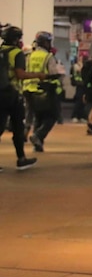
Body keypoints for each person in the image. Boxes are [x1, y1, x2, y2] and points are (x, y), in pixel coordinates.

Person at [0, 26, 41, 171]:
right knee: (18, 126)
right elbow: (20, 74)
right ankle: (21, 158)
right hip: (11, 94)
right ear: (17, 39)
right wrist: (38, 75)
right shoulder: (17, 53)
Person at [22, 31, 62, 153]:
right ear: (45, 42)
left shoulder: (29, 55)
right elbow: (53, 73)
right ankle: (38, 136)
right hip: (43, 90)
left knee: (37, 116)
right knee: (52, 116)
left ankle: (38, 144)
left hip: (28, 90)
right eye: (49, 42)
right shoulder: (48, 56)